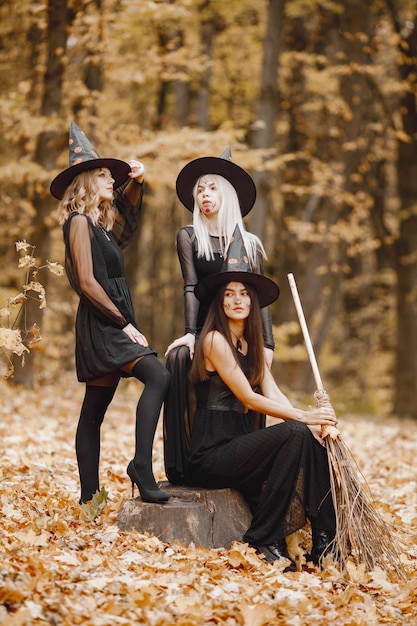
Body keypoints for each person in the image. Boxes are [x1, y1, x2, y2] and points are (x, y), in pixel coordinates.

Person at [187, 225, 337, 570]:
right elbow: (249, 398)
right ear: (219, 302)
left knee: (309, 439)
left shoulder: (251, 344)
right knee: (297, 430)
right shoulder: (214, 341)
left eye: (243, 293)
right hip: (211, 455)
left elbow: (271, 391)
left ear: (253, 301)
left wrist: (316, 418)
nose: (237, 300)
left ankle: (325, 538)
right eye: (228, 294)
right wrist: (302, 418)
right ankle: (262, 539)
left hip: (240, 444)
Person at [50, 122, 170, 505]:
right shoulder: (79, 223)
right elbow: (86, 282)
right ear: (85, 181)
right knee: (159, 376)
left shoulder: (100, 227)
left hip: (109, 319)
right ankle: (140, 468)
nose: (110, 180)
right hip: (104, 321)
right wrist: (125, 324)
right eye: (102, 175)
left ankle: (89, 499)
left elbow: (126, 218)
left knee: (94, 409)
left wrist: (136, 181)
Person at [164, 148, 275, 484]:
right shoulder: (188, 236)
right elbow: (190, 285)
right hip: (206, 333)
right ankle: (185, 461)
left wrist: (266, 345)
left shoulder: (250, 243)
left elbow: (260, 299)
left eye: (211, 187)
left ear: (226, 194)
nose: (204, 195)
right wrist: (189, 333)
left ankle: (249, 460)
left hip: (243, 332)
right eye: (199, 189)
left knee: (258, 370)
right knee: (178, 358)